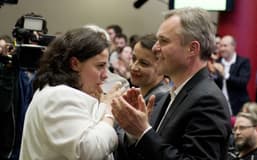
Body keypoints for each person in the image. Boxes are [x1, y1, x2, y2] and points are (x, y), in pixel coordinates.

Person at [111, 7, 231, 160]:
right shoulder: (172, 94)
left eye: (164, 41)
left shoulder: (208, 100)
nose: (155, 48)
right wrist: (133, 131)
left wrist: (143, 132)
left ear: (192, 49)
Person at [19, 27, 120, 160]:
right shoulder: (58, 97)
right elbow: (89, 151)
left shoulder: (62, 92)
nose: (105, 75)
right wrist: (108, 111)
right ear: (75, 64)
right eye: (100, 66)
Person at [214, 35, 251, 115]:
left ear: (233, 46)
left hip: (238, 107)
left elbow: (242, 82)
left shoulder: (243, 62)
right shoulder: (217, 62)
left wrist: (225, 74)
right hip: (219, 106)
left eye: (225, 46)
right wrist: (213, 74)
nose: (222, 49)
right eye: (220, 46)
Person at [130, 33, 169, 104]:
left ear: (161, 66)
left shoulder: (159, 97)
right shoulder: (139, 93)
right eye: (133, 59)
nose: (134, 67)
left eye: (144, 63)